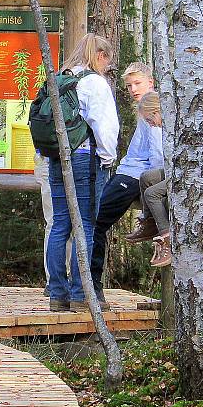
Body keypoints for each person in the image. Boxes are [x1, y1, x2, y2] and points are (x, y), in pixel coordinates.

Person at [46, 34, 119, 312]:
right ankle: (81, 294)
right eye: (106, 60)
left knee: (60, 224)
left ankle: (57, 295)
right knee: (85, 225)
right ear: (100, 55)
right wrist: (108, 159)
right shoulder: (95, 83)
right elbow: (104, 127)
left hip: (57, 159)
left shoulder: (61, 78)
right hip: (86, 160)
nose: (106, 66)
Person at [90, 62, 163, 296]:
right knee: (96, 219)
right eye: (129, 85)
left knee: (96, 222)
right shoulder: (144, 106)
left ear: (150, 82)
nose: (133, 89)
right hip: (129, 170)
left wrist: (150, 184)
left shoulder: (152, 107)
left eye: (138, 83)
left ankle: (92, 286)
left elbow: (157, 152)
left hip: (134, 176)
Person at [125, 91, 170, 267]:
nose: (150, 124)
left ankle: (167, 239)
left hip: (185, 173)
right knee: (146, 178)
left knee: (152, 194)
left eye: (150, 119)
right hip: (171, 170)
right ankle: (150, 224)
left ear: (157, 111)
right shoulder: (160, 128)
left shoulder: (173, 125)